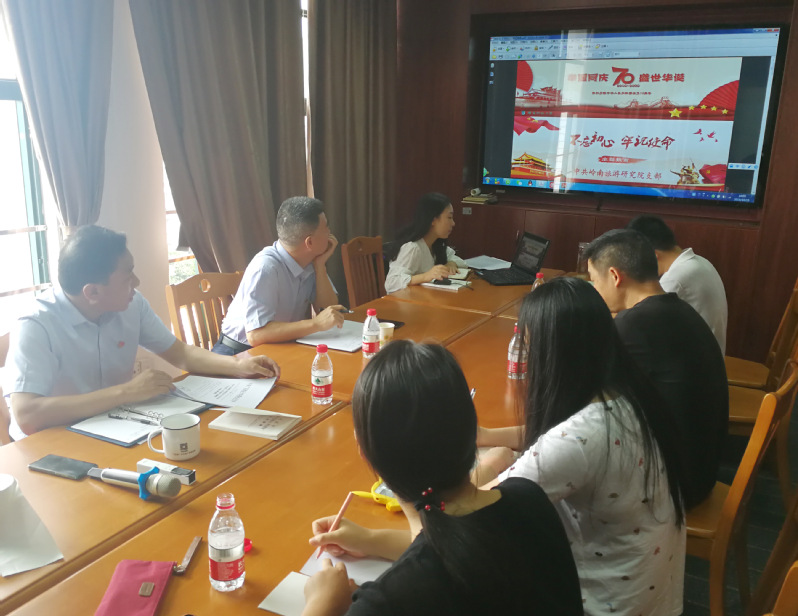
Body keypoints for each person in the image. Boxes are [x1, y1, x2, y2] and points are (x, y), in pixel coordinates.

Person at [302, 340, 583, 616]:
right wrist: (371, 539)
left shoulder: (389, 601)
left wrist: (321, 604)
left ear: (364, 452)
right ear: (472, 430)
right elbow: (462, 543)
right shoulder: (530, 499)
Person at [475, 277, 688, 616]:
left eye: (529, 349)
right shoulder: (627, 392)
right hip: (650, 597)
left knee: (479, 569)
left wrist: (489, 465)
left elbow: (473, 512)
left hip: (604, 606)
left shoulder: (577, 440)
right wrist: (487, 435)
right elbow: (558, 436)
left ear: (553, 356)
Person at [4, 226, 280, 439]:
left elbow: (181, 354)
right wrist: (126, 392)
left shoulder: (131, 304)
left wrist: (237, 365)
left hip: (116, 427)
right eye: (127, 277)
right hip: (54, 443)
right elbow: (27, 415)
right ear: (93, 292)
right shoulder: (37, 325)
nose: (136, 283)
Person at [584, 229, 728, 508]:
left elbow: (588, 399)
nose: (594, 289)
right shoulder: (677, 309)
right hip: (702, 469)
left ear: (615, 276)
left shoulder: (634, 325)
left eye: (594, 280)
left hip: (674, 488)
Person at [212, 196, 345, 353]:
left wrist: (320, 266)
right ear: (309, 242)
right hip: (238, 352)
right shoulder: (265, 268)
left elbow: (328, 311)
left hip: (279, 346)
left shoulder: (310, 261)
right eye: (326, 228)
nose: (330, 233)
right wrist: (315, 324)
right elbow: (256, 335)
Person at [627, 215, 728, 353]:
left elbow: (641, 323)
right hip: (712, 356)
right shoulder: (700, 262)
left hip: (696, 361)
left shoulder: (675, 278)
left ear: (653, 256)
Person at [384, 193, 467, 294]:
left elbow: (461, 262)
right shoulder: (413, 248)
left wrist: (451, 263)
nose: (453, 223)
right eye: (449, 217)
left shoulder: (436, 244)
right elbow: (391, 283)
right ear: (433, 220)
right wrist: (425, 276)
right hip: (404, 301)